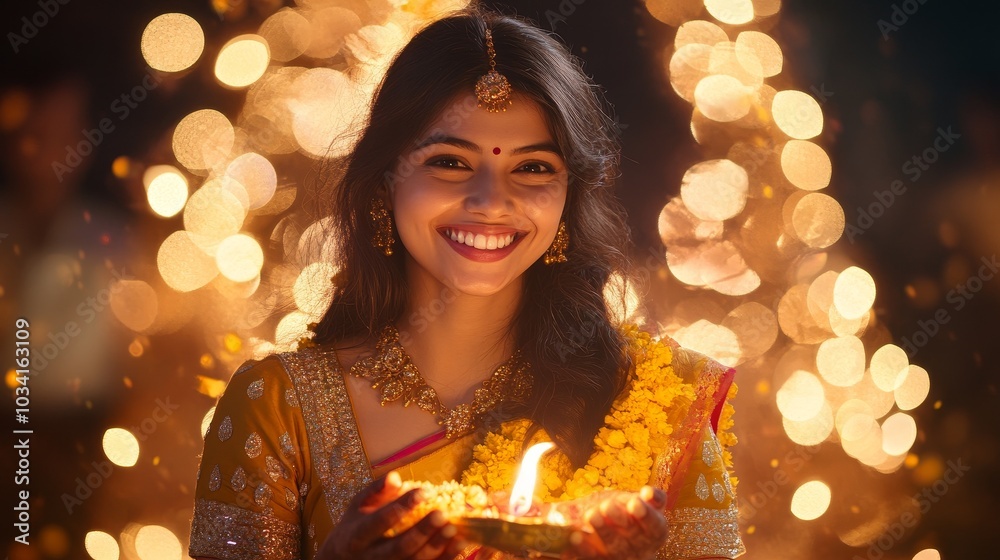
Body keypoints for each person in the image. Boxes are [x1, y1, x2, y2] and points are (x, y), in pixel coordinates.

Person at [189, 6, 744, 560]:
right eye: (450, 162)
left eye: (533, 168)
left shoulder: (656, 403)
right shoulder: (279, 407)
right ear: (385, 184)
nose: (490, 202)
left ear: (568, 199)